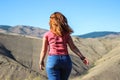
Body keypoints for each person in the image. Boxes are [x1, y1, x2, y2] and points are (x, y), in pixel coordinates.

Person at [39, 12, 89, 80]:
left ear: (51, 22)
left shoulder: (47, 35)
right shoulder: (66, 34)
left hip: (53, 60)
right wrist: (82, 57)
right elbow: (73, 47)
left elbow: (43, 50)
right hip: (66, 61)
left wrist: (41, 60)